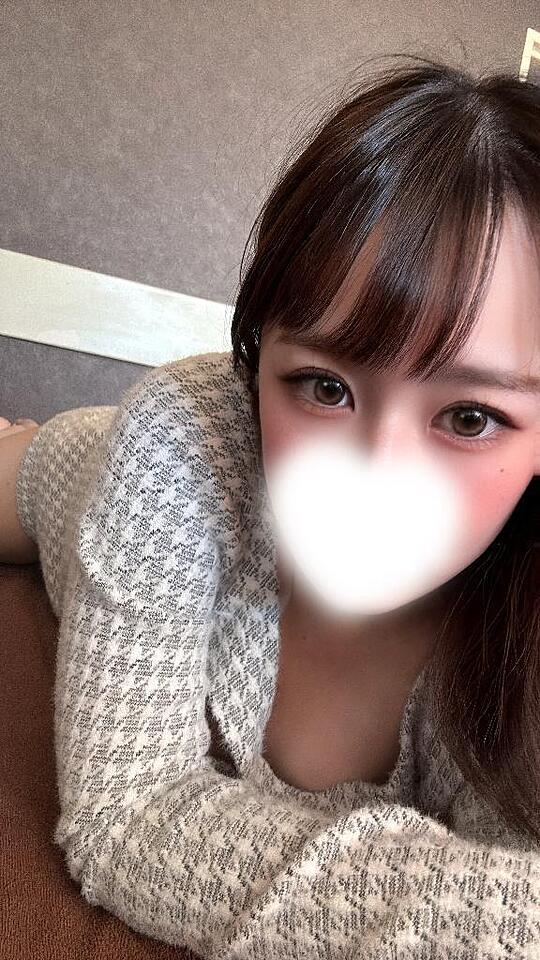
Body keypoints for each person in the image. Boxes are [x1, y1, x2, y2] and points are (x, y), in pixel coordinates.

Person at [0, 55, 539, 958]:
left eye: (470, 417)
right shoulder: (181, 440)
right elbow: (124, 815)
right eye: (325, 387)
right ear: (258, 362)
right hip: (81, 469)